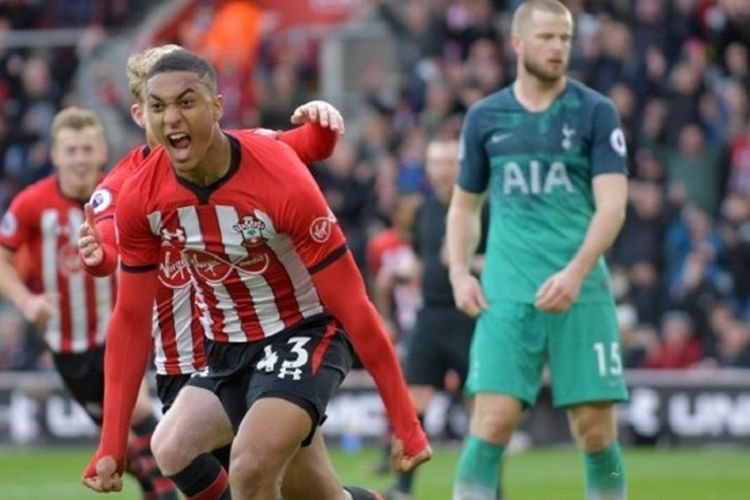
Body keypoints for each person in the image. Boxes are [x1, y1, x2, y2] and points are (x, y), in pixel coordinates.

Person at [82, 50, 431, 499]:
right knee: (175, 447)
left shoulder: (277, 174)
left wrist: (405, 422)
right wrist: (112, 444)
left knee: (249, 468)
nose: (172, 118)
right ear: (141, 114)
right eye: (158, 107)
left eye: (186, 102)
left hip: (302, 334)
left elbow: (355, 307)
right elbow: (129, 319)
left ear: (217, 107)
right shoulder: (138, 195)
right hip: (225, 350)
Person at [446, 2, 629, 499]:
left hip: (582, 288)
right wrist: (461, 273)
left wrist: (575, 272)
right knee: (492, 421)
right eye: (547, 37)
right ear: (518, 43)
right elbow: (464, 208)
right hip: (507, 291)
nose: (558, 48)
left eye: (565, 39)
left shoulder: (595, 111)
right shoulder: (485, 117)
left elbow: (612, 206)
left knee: (593, 429)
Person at [0, 107, 178, 499]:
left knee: (140, 417)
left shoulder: (119, 194)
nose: (79, 158)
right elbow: (3, 258)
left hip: (118, 332)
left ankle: (197, 481)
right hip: (67, 349)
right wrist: (26, 302)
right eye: (71, 150)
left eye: (86, 149)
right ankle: (165, 484)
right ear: (56, 155)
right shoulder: (31, 204)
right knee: (127, 456)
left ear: (101, 152)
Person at [387, 138, 486, 500]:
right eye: (436, 163)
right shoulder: (424, 211)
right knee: (412, 404)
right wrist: (399, 273)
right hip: (430, 314)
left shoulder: (480, 208)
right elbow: (420, 259)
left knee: (480, 407)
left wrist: (466, 262)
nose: (442, 169)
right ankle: (403, 488)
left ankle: (488, 487)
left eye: (448, 162)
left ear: (459, 166)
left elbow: (500, 262)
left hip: (468, 314)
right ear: (428, 168)